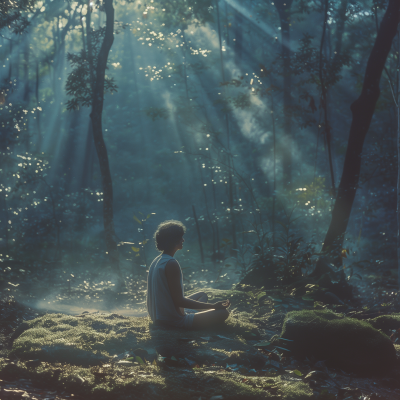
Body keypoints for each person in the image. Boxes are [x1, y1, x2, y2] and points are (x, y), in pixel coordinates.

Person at [147, 220, 230, 329]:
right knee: (223, 313)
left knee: (202, 295)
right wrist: (213, 306)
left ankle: (198, 314)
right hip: (171, 321)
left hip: (158, 316)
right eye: (180, 237)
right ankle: (198, 316)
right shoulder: (171, 263)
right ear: (173, 240)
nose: (183, 240)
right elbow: (179, 301)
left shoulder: (157, 260)